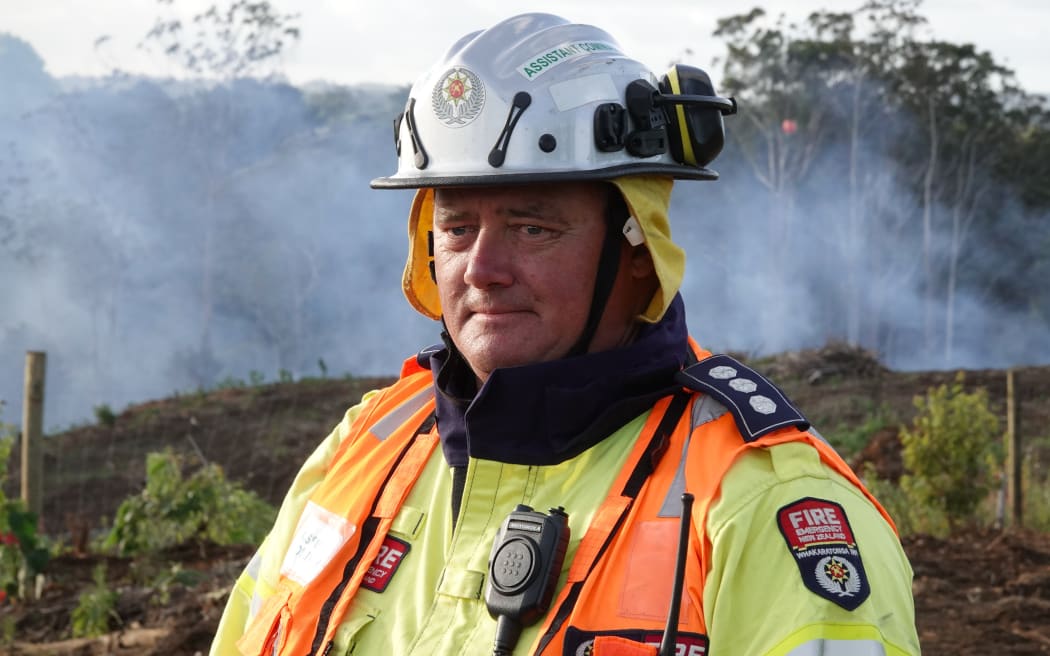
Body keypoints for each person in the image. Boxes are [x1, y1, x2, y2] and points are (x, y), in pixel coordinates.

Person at [211, 13, 919, 656]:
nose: (482, 270)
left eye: (532, 227)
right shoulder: (363, 450)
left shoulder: (761, 505)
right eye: (455, 228)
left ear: (639, 249)